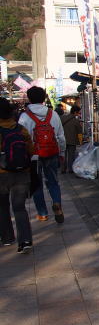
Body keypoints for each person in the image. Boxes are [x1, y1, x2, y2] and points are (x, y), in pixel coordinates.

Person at [19, 86, 66, 223]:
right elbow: (61, 136)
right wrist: (62, 152)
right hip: (52, 153)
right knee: (53, 182)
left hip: (34, 157)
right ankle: (57, 203)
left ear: (29, 98)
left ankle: (42, 213)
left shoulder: (24, 117)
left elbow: (22, 139)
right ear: (44, 97)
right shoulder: (54, 114)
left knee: (37, 184)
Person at [0, 98, 34, 253]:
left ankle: (7, 238)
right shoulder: (20, 129)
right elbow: (31, 150)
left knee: (3, 207)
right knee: (19, 208)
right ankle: (25, 240)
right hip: (21, 173)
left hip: (2, 175)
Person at [60, 105, 83, 174]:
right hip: (72, 140)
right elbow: (80, 132)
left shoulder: (63, 118)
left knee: (63, 155)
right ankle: (70, 169)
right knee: (71, 155)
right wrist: (81, 141)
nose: (79, 114)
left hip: (63, 140)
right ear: (75, 112)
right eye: (78, 113)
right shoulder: (76, 121)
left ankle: (63, 169)